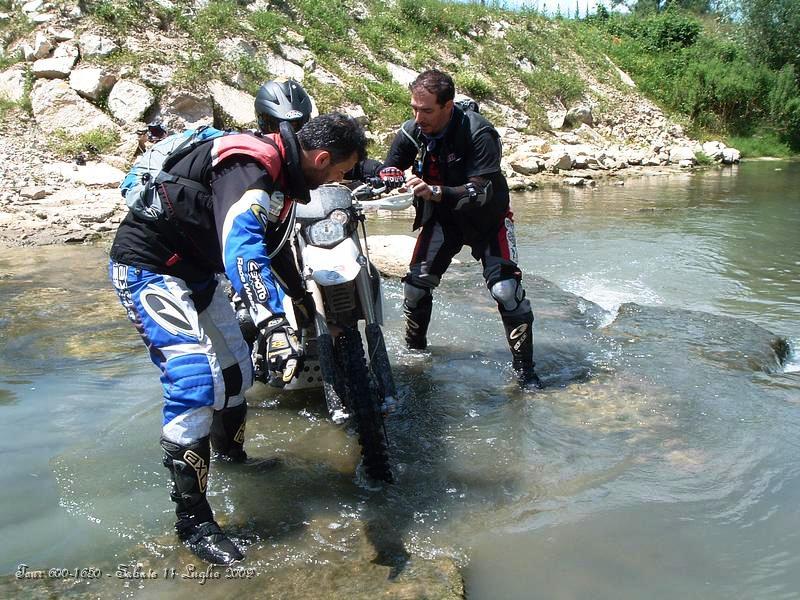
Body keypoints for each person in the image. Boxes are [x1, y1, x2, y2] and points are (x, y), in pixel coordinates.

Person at [108, 113, 367, 565]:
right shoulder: (251, 164)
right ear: (321, 157)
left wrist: (301, 301)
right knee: (193, 381)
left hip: (196, 275)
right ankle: (193, 522)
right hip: (147, 268)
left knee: (236, 374)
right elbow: (241, 243)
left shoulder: (284, 179)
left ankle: (231, 457)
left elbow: (276, 245)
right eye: (339, 173)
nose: (337, 180)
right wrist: (271, 323)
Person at [379, 69, 541, 387]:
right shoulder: (413, 131)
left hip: (488, 220)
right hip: (443, 220)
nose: (418, 117)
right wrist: (387, 179)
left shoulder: (481, 134)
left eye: (426, 110)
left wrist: (436, 191)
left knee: (505, 291)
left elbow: (481, 190)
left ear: (448, 106)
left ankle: (526, 373)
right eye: (414, 108)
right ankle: (416, 357)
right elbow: (390, 166)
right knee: (414, 287)